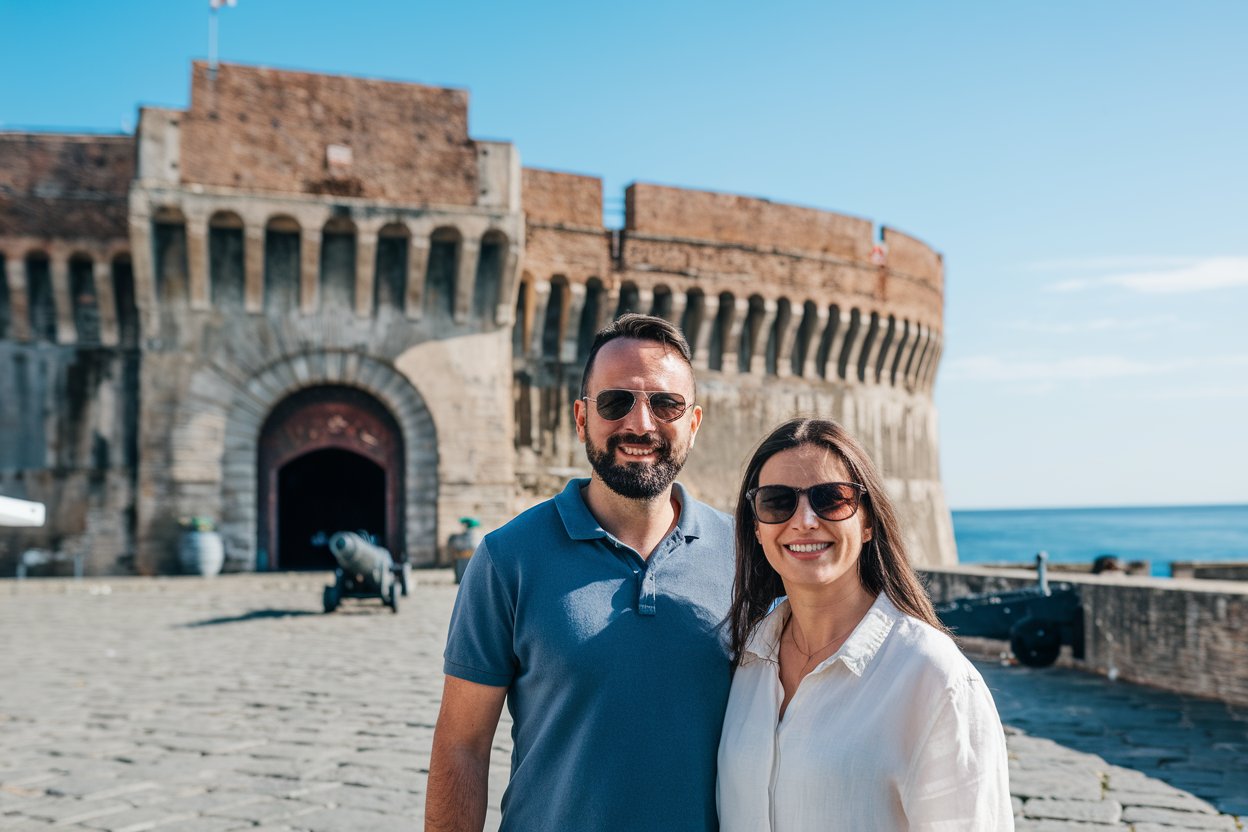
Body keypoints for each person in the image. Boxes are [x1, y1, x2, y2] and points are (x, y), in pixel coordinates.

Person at [426, 314, 735, 832]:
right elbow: (462, 744)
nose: (640, 424)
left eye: (666, 404)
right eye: (615, 402)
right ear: (580, 417)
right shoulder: (508, 560)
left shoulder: (748, 555)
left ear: (694, 423)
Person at [717, 418, 1012, 831]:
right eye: (776, 502)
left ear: (868, 521)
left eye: (831, 499)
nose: (804, 520)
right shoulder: (746, 661)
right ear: (757, 528)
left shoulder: (930, 676)